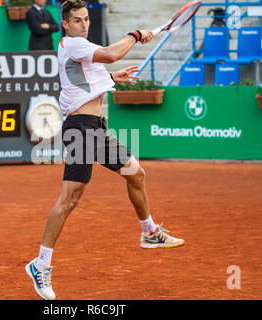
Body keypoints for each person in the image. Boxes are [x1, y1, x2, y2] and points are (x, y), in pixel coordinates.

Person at [25, 0, 184, 300]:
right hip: (81, 130)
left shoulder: (78, 47)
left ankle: (149, 233)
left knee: (136, 174)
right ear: (66, 24)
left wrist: (113, 78)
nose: (83, 24)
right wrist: (135, 35)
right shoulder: (73, 44)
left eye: (86, 19)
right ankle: (40, 264)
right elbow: (111, 54)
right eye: (77, 20)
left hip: (96, 129)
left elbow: (82, 80)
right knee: (69, 199)